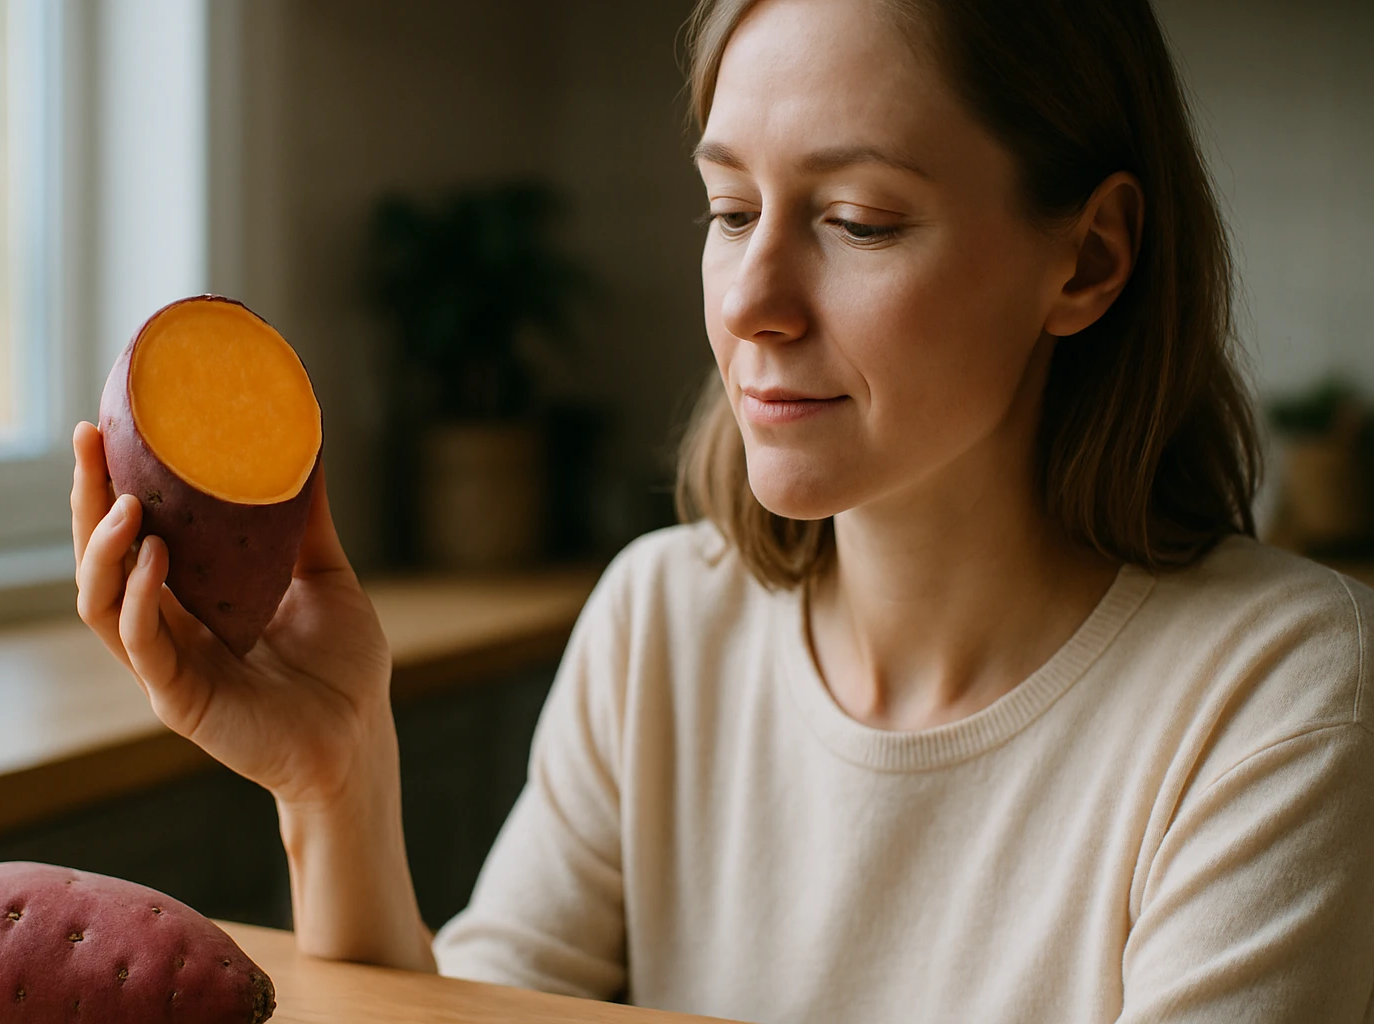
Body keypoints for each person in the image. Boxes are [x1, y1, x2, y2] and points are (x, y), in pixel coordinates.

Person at [71, 0, 1374, 1019]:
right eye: (730, 206)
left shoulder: (1278, 698)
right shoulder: (660, 625)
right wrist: (334, 780)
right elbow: (467, 1017)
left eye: (859, 221)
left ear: (1085, 259)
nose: (752, 298)